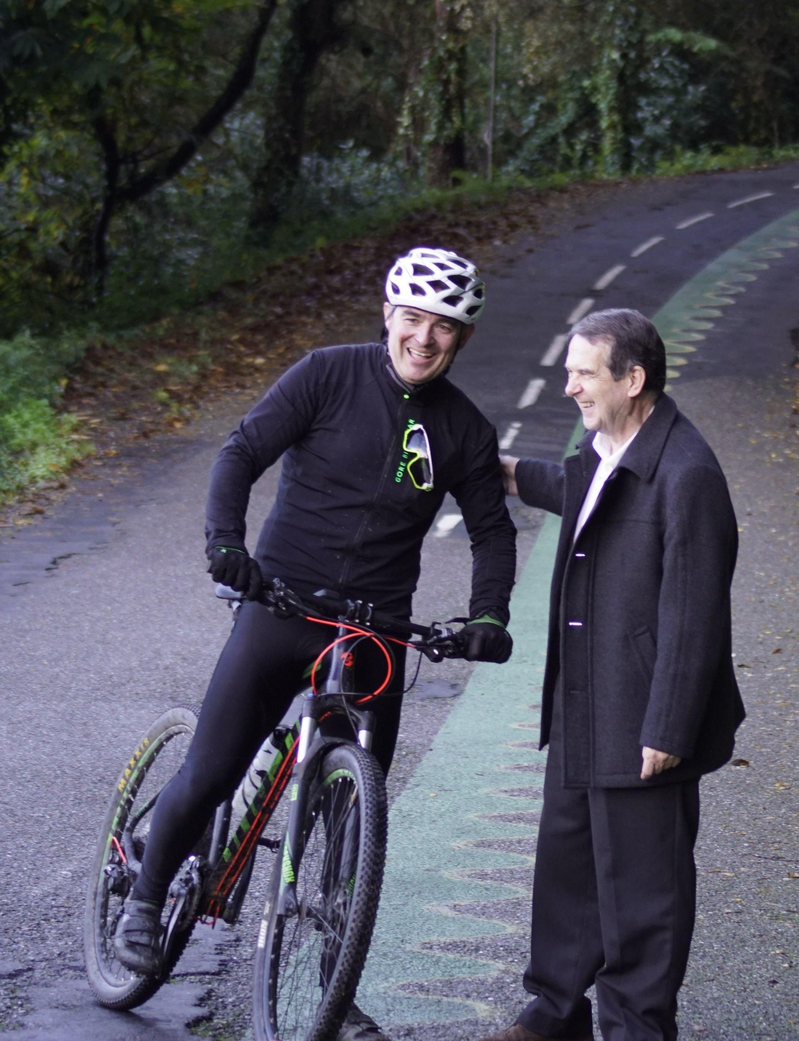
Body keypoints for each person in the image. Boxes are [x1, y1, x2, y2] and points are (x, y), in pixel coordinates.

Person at [111, 247, 517, 1038]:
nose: (424, 338)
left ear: (461, 338)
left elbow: (491, 533)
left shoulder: (463, 428)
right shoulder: (327, 374)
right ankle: (146, 894)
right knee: (214, 766)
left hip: (375, 632)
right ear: (388, 315)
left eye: (443, 326)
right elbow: (240, 453)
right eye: (412, 318)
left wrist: (488, 615)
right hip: (282, 604)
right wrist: (226, 545)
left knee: (351, 827)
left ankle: (333, 987)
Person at [488, 309, 744, 1041]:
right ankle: (555, 1010)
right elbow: (582, 488)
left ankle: (636, 1025)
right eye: (567, 370)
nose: (568, 387)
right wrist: (505, 473)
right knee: (568, 867)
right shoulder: (610, 443)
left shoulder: (687, 472)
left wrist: (668, 726)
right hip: (583, 700)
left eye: (583, 373)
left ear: (633, 379)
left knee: (643, 893)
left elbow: (696, 614)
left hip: (641, 717)